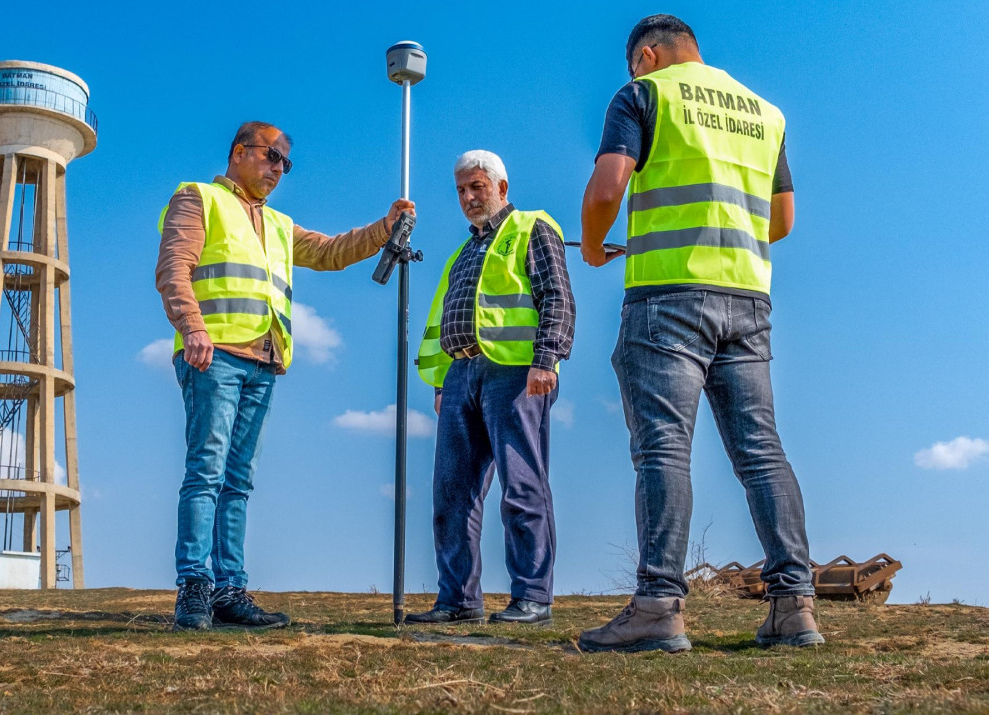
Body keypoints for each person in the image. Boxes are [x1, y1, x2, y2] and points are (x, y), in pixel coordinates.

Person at [575, 15, 821, 652]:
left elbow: (608, 186)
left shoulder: (643, 95)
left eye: (635, 63)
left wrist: (598, 248)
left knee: (663, 449)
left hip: (667, 298)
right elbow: (784, 221)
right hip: (747, 300)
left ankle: (658, 606)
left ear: (648, 56)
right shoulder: (765, 113)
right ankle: (794, 607)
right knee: (761, 451)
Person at [155, 121, 414, 630]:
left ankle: (229, 590)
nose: (278, 168)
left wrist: (386, 228)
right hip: (214, 356)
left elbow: (331, 251)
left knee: (238, 481)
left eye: (285, 163)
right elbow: (173, 269)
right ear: (238, 152)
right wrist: (193, 328)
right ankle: (194, 587)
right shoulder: (198, 198)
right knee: (207, 471)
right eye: (271, 156)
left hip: (264, 362)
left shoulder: (277, 224)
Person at [405, 150, 575, 626]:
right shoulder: (463, 253)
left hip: (516, 374)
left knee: (522, 487)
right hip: (461, 376)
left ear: (501, 187)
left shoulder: (532, 228)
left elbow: (557, 295)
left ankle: (533, 598)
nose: (468, 197)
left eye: (476, 187)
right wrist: (442, 382)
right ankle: (457, 601)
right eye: (461, 190)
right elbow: (445, 318)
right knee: (451, 493)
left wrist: (547, 359)